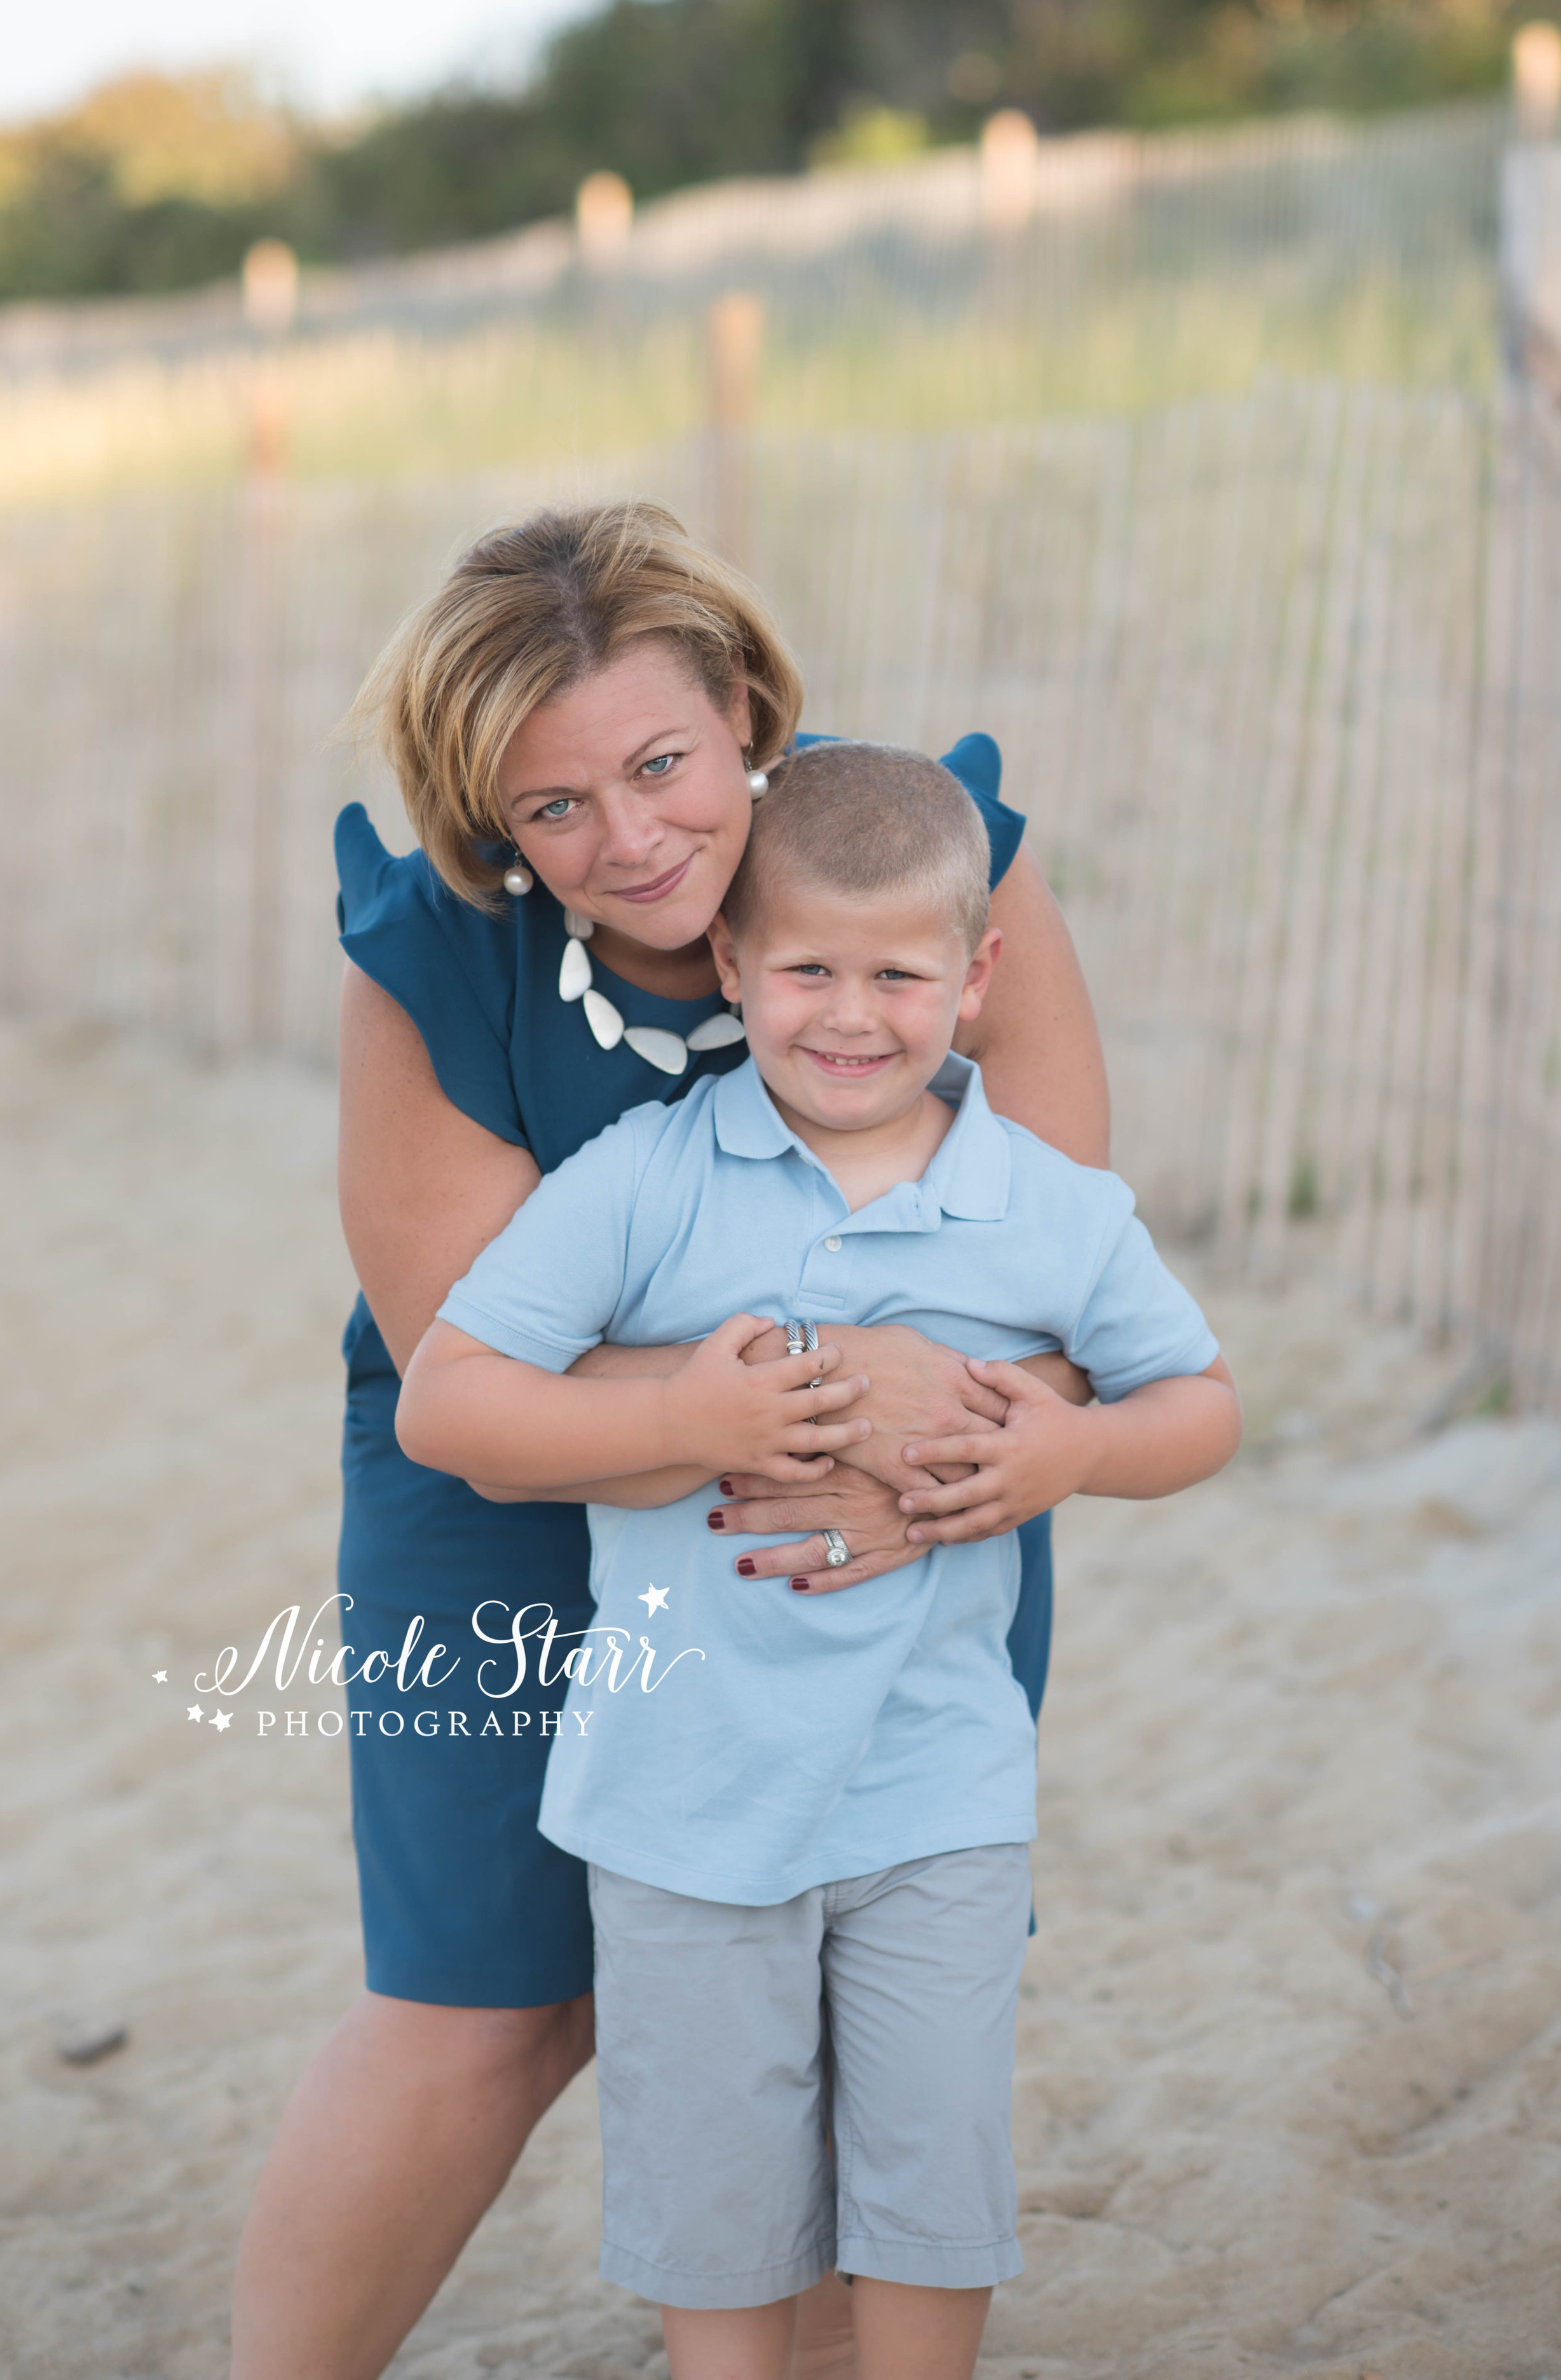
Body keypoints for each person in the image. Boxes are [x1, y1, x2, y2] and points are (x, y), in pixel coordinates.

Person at [229, 502, 1112, 2380]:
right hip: (499, 1484)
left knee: (833, 1951)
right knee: (486, 1994)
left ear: (738, 704)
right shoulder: (437, 959)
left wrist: (921, 1452)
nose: (627, 839)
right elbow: (461, 1364)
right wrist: (814, 1381)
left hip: (892, 1477)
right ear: (490, 820)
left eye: (657, 764)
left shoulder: (918, 865)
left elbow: (1056, 1258)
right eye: (553, 809)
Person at [395, 742, 1243, 2380]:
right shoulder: (643, 1181)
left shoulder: (1049, 1209)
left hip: (938, 1796)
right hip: (683, 1803)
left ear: (977, 977)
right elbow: (451, 1398)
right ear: (730, 963)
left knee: (931, 2177)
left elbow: (1199, 1404)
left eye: (900, 974)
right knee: (713, 2195)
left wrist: (1074, 1451)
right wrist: (696, 1407)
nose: (850, 1015)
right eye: (804, 970)